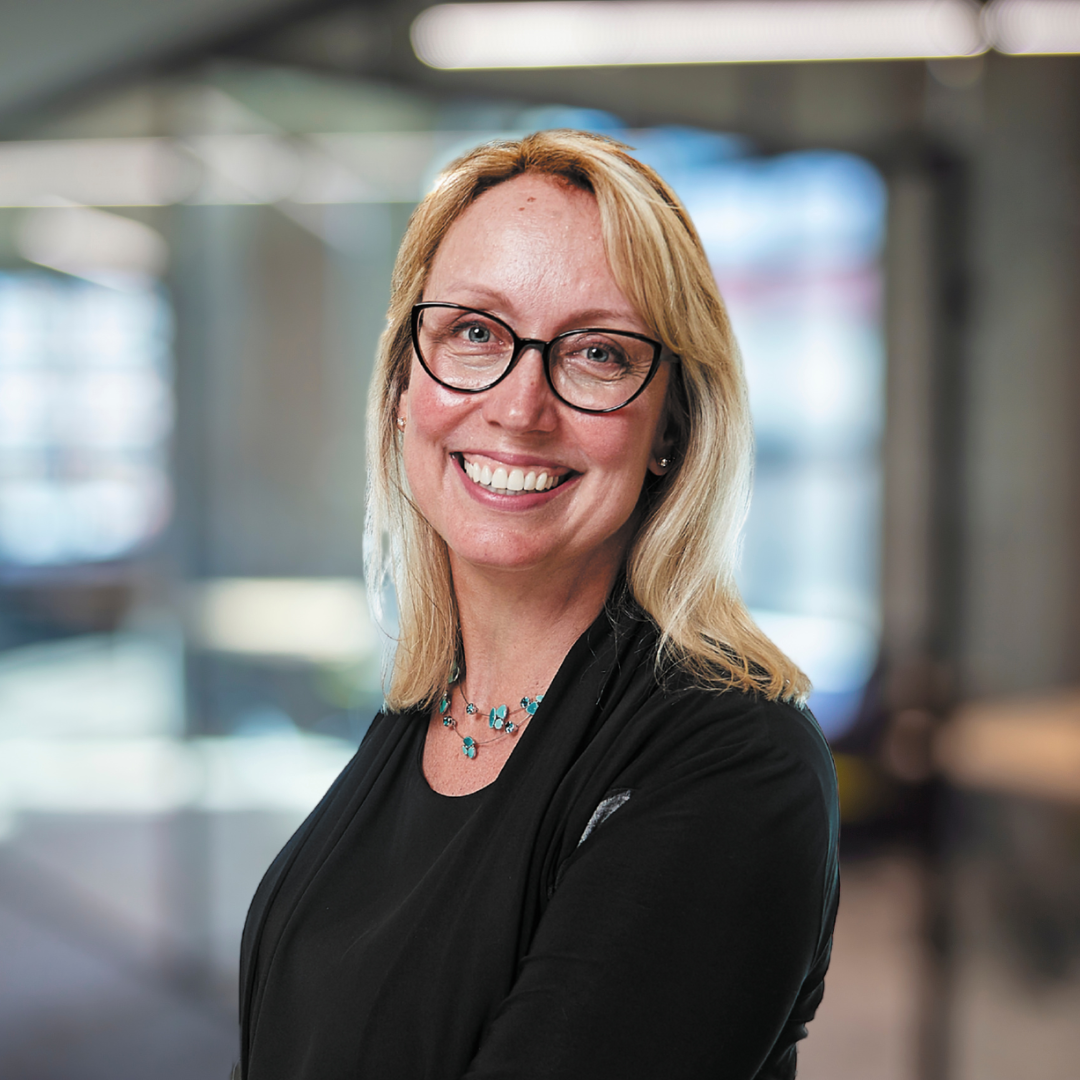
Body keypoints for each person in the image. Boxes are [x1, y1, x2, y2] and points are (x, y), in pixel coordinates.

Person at [238, 130, 839, 1080]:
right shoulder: (429, 708)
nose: (521, 408)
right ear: (404, 386)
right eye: (474, 332)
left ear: (670, 430)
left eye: (598, 352)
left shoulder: (732, 763)